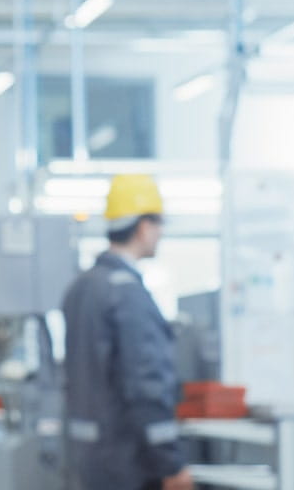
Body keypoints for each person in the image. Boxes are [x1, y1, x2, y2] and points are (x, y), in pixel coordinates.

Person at [62, 174, 192, 490]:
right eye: (159, 226)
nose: (160, 234)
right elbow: (145, 383)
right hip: (129, 461)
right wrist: (170, 464)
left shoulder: (82, 286)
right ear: (144, 227)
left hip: (88, 459)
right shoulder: (128, 294)